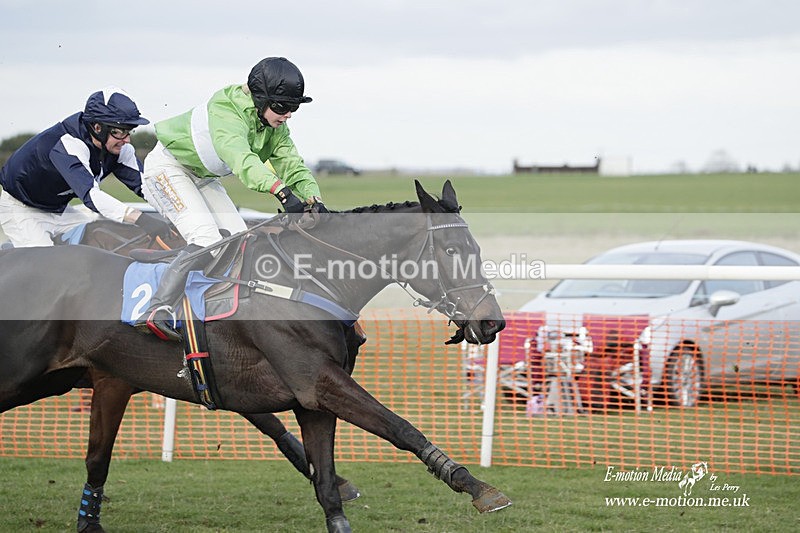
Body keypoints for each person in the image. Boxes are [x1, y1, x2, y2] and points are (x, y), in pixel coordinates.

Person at [136, 57, 327, 341]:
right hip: (166, 169)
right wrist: (282, 192)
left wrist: (313, 197)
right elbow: (242, 159)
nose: (287, 115)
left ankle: (217, 311)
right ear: (261, 99)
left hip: (202, 177)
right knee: (207, 239)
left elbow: (291, 163)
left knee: (239, 241)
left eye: (293, 108)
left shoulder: (274, 125)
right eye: (282, 107)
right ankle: (156, 309)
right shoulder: (225, 109)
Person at [0, 87, 172, 248]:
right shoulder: (68, 144)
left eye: (129, 131)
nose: (126, 140)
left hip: (60, 210)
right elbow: (91, 196)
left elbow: (147, 186)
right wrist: (140, 218)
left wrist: (178, 213)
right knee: (48, 269)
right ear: (97, 128)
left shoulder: (119, 148)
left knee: (100, 244)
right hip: (21, 209)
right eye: (119, 132)